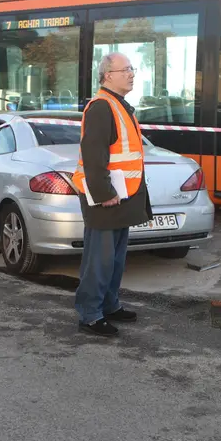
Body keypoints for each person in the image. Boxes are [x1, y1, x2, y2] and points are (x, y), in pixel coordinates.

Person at [72, 53, 151, 337]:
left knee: (115, 260)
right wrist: (104, 192)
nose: (132, 74)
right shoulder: (102, 107)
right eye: (126, 69)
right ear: (108, 75)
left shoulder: (118, 105)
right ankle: (90, 315)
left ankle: (109, 304)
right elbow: (94, 156)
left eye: (132, 69)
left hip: (120, 197)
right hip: (106, 199)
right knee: (100, 260)